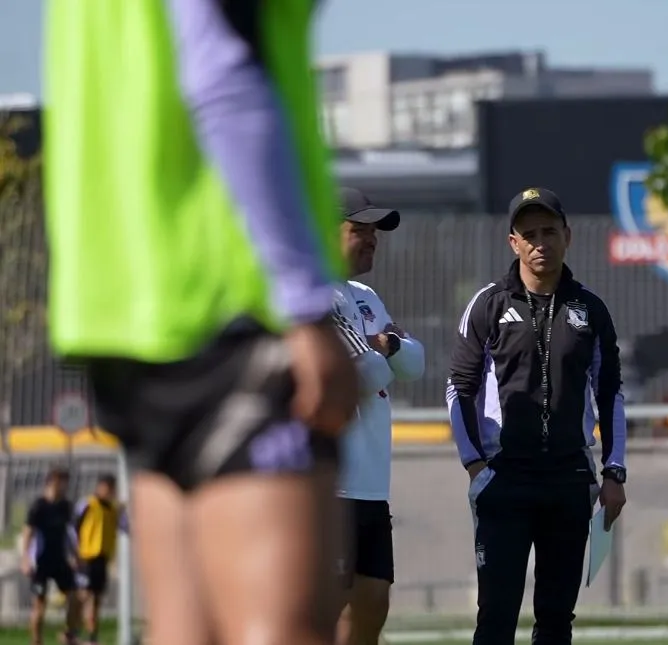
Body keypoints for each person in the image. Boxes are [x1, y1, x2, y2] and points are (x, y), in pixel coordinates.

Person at [43, 2, 359, 645]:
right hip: (232, 288)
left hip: (130, 300)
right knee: (287, 628)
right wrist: (303, 303)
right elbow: (219, 68)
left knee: (190, 630)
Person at [447, 187, 627, 645]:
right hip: (504, 480)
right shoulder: (487, 305)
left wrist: (614, 471)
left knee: (555, 620)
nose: (539, 242)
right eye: (529, 234)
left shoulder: (591, 309)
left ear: (567, 236)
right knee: (496, 619)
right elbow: (458, 388)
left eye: (549, 231)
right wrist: (476, 467)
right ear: (513, 242)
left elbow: (610, 393)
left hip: (568, 479)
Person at [332, 187, 426, 645]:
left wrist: (386, 346)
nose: (370, 240)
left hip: (371, 486)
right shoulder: (312, 294)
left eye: (374, 232)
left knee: (373, 602)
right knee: (325, 613)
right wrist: (385, 350)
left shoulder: (365, 295)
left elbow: (413, 362)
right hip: (331, 486)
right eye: (358, 230)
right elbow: (367, 374)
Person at [20, 468, 79, 645]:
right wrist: (25, 558)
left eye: (66, 482)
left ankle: (68, 636)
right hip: (40, 562)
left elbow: (69, 533)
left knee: (75, 597)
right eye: (62, 481)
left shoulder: (65, 506)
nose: (65, 486)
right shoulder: (39, 506)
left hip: (60, 560)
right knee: (39, 605)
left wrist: (75, 555)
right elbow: (28, 532)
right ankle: (36, 641)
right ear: (51, 482)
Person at [73, 474, 129, 645]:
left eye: (112, 489)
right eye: (107, 488)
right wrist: (74, 553)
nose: (110, 492)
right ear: (100, 487)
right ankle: (72, 631)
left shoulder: (113, 509)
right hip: (86, 557)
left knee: (96, 598)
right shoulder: (88, 504)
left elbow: (125, 527)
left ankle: (92, 636)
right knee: (83, 595)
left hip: (102, 558)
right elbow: (73, 528)